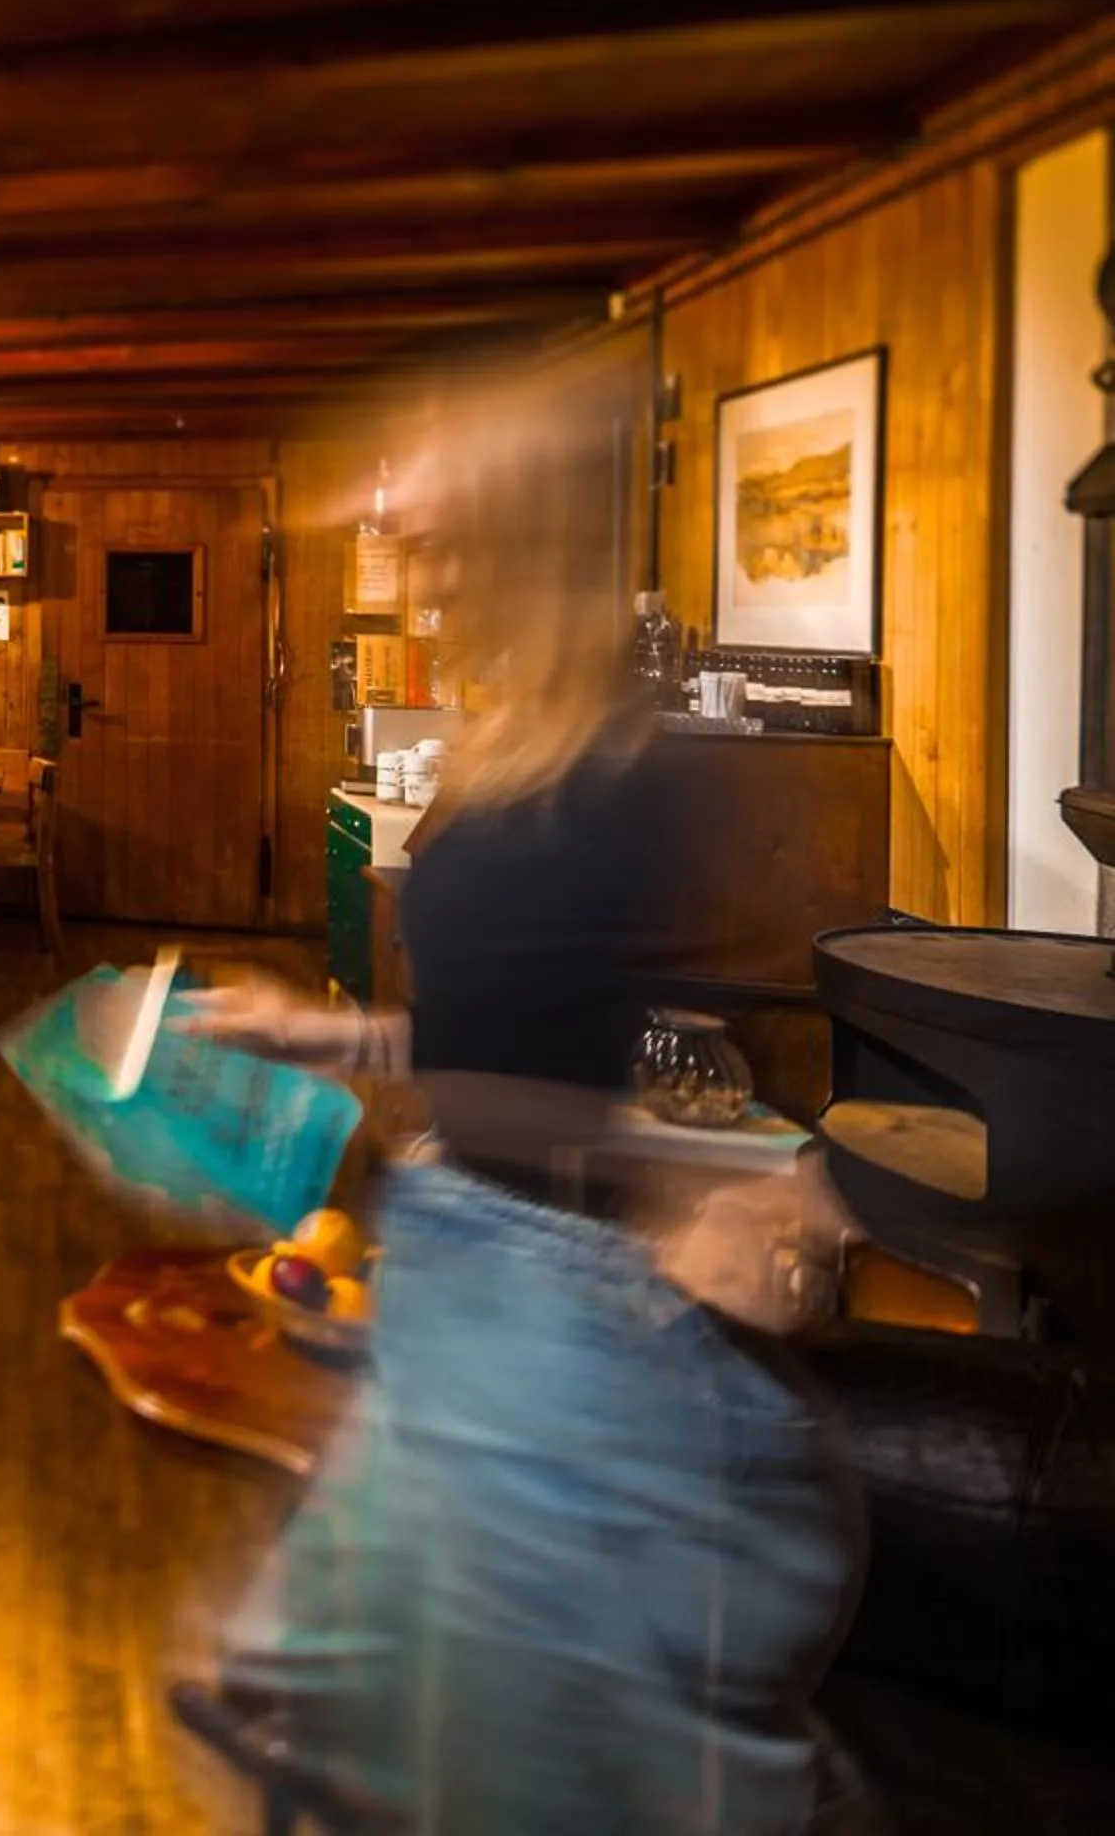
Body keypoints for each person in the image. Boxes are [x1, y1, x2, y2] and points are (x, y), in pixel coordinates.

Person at [177, 389, 864, 1832]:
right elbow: (499, 1027)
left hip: (551, 1279)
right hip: (461, 1245)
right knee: (333, 1703)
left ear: (522, 536)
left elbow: (619, 1067)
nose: (413, 553)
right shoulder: (507, 748)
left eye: (439, 529)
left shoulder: (630, 769)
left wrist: (725, 1199)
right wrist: (328, 1034)